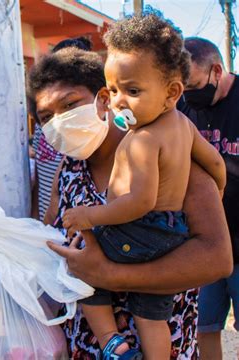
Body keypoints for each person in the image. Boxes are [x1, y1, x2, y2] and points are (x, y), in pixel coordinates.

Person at [27, 46, 231, 358]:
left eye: (70, 104)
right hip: (87, 347)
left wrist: (110, 275)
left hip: (163, 343)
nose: (60, 122)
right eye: (46, 117)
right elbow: (51, 238)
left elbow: (217, 258)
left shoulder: (169, 159)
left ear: (104, 98)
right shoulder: (68, 170)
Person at [179, 36, 239, 359]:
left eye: (194, 85)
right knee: (204, 326)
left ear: (217, 71)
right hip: (201, 242)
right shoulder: (182, 106)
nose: (188, 95)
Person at [30, 36, 92, 220]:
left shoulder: (89, 128)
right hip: (46, 224)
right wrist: (35, 218)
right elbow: (41, 177)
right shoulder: (44, 123)